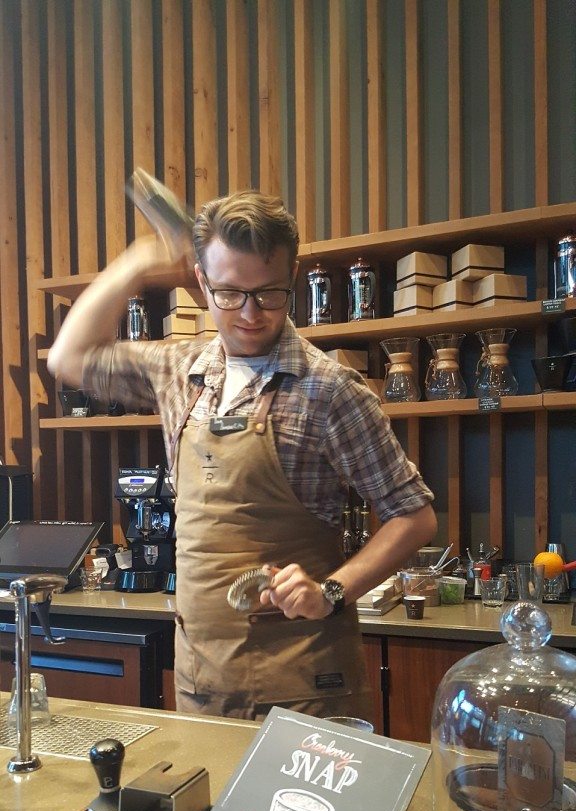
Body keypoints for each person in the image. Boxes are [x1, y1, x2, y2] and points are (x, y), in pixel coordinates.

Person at [48, 189, 436, 721]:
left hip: (305, 687)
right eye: (230, 293)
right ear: (201, 282)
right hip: (203, 681)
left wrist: (332, 590)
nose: (251, 314)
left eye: (269, 294)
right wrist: (139, 261)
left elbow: (413, 517)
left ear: (293, 278)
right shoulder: (179, 371)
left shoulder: (329, 389)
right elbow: (71, 357)